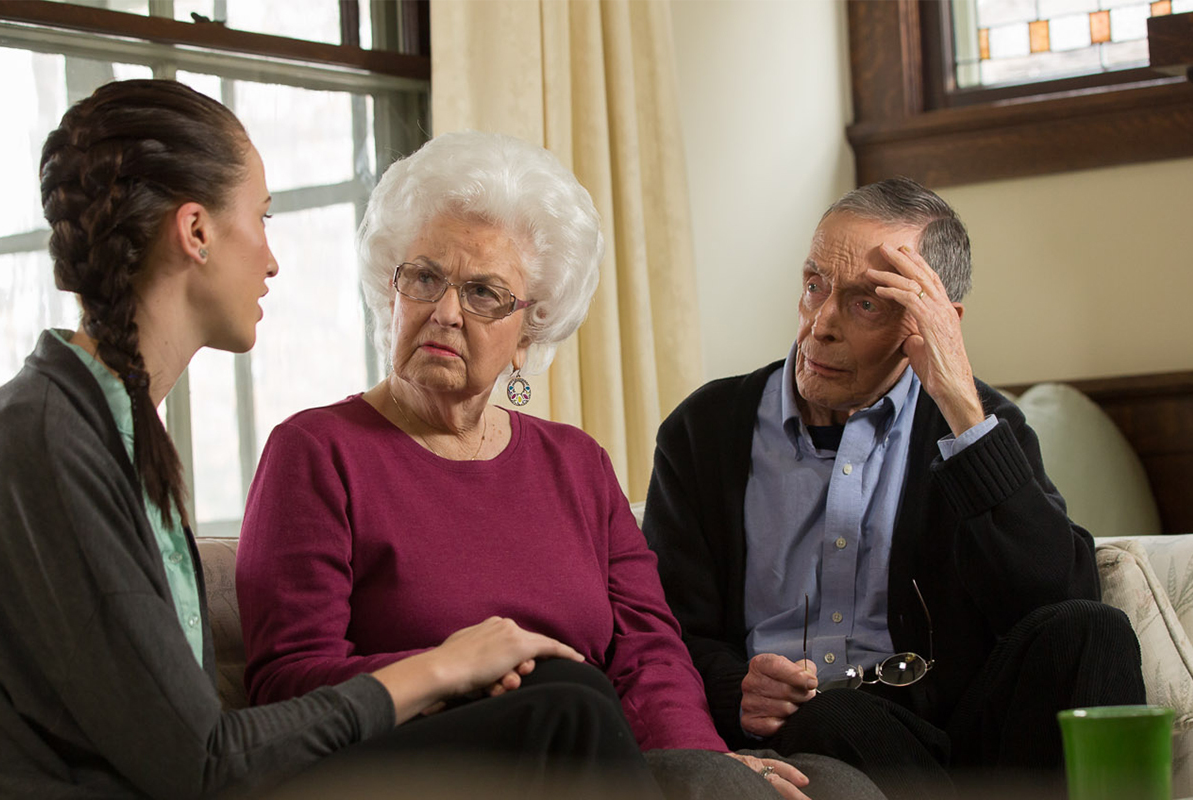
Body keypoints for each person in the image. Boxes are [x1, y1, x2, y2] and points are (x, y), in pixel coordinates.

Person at [0, 79, 663, 800]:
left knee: (574, 698)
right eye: (263, 217)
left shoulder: (109, 432)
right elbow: (203, 762)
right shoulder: (50, 438)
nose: (274, 260)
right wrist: (445, 666)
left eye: (482, 294)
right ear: (196, 232)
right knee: (564, 700)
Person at [235, 130, 885, 800]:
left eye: (484, 292)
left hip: (594, 757)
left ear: (530, 332)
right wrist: (464, 668)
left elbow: (648, 652)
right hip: (431, 765)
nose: (446, 311)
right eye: (424, 277)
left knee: (831, 787)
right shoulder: (315, 451)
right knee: (576, 699)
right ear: (389, 290)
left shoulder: (574, 463)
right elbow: (286, 681)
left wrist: (709, 757)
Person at [642, 177, 1147, 799]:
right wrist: (735, 687)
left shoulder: (981, 426)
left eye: (865, 303)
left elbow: (1056, 598)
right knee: (829, 715)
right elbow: (661, 626)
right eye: (813, 285)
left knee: (1092, 629)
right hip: (814, 733)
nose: (820, 324)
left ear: (935, 323)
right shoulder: (706, 429)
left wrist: (960, 401)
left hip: (955, 735)